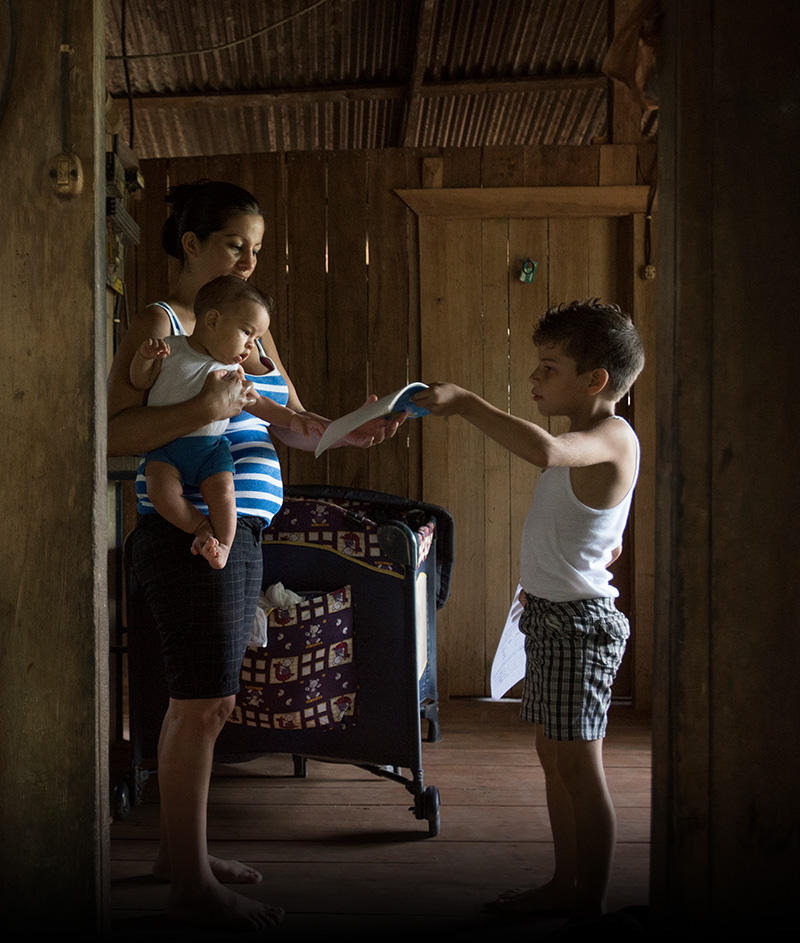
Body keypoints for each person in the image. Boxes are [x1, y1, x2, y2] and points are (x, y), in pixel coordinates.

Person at [107, 179, 399, 931]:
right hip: (187, 532)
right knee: (203, 702)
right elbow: (111, 432)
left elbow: (290, 420)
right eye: (235, 244)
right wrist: (202, 409)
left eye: (257, 249)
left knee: (207, 699)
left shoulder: (250, 329)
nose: (247, 260)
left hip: (240, 531)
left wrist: (347, 430)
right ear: (192, 244)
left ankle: (181, 858)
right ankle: (191, 882)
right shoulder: (163, 322)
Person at [412, 299, 645, 923]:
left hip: (582, 626)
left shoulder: (610, 435)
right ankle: (565, 884)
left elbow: (545, 452)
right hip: (549, 616)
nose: (534, 378)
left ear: (595, 380)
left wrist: (467, 404)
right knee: (554, 755)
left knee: (580, 764)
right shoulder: (589, 439)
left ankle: (590, 907)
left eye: (549, 368)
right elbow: (591, 525)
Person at [129, 274, 323, 569]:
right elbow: (140, 381)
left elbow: (259, 403)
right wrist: (144, 358)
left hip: (210, 450)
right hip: (167, 449)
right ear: (213, 320)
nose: (251, 347)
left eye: (256, 340)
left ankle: (223, 546)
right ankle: (200, 527)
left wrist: (294, 419)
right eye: (247, 333)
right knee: (160, 492)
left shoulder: (233, 371)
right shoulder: (171, 348)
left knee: (224, 493)